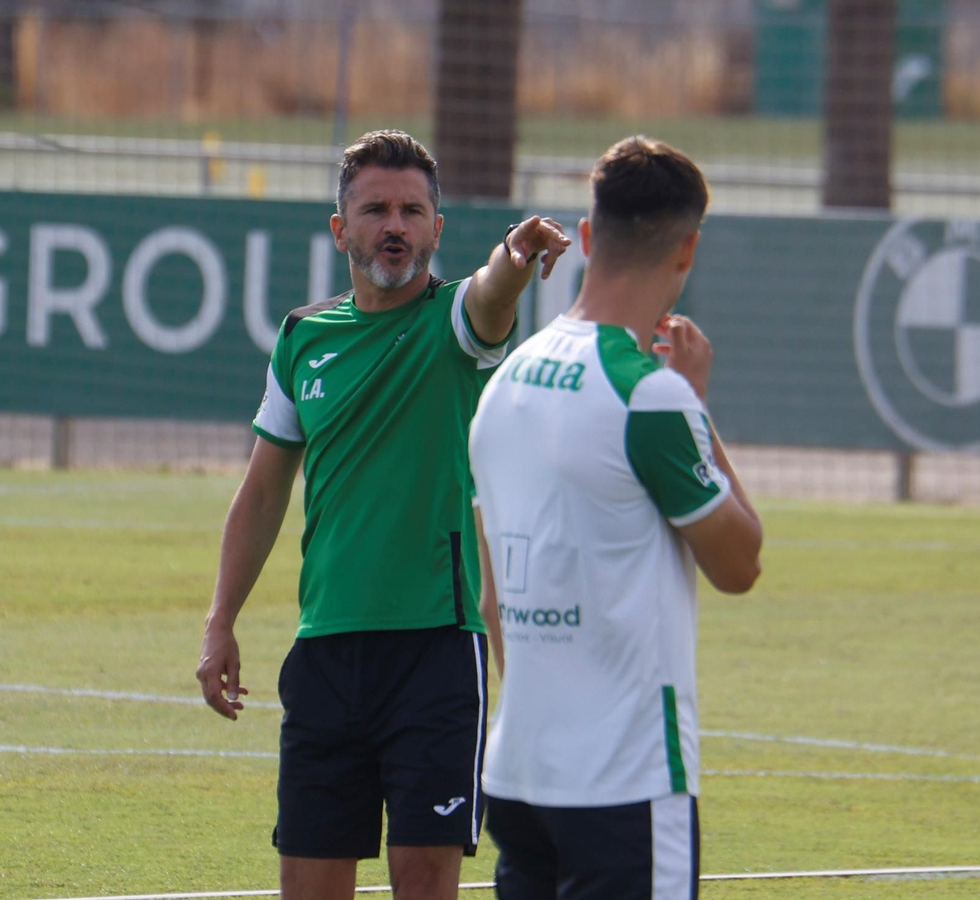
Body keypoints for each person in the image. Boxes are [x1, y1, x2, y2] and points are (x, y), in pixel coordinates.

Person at [195, 129, 571, 900]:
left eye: (411, 211)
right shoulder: (303, 338)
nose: (394, 226)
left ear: (437, 228)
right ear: (341, 230)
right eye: (375, 211)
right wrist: (220, 620)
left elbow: (493, 292)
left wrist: (516, 253)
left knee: (423, 883)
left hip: (435, 654)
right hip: (324, 654)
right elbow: (262, 493)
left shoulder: (456, 325)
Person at [467, 136, 764, 899]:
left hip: (521, 774)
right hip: (625, 783)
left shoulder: (505, 383)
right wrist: (693, 405)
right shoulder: (649, 396)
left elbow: (492, 598)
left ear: (588, 235)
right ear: (687, 249)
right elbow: (741, 563)